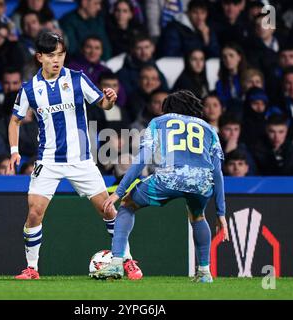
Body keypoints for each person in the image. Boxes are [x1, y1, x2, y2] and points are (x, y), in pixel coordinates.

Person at [8, 31, 142, 280]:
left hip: (81, 159)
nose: (56, 60)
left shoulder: (78, 79)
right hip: (47, 160)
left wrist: (110, 100)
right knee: (34, 212)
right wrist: (14, 152)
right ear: (39, 57)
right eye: (50, 55)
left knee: (108, 209)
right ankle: (32, 268)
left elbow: (102, 103)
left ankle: (127, 260)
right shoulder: (29, 89)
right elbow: (14, 121)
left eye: (60, 54)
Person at [91, 90, 229, 282]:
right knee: (198, 216)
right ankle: (204, 272)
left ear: (167, 108)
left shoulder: (158, 122)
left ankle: (116, 263)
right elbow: (217, 172)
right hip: (201, 181)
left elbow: (143, 159)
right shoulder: (209, 129)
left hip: (170, 177)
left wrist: (119, 191)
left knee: (127, 204)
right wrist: (221, 213)